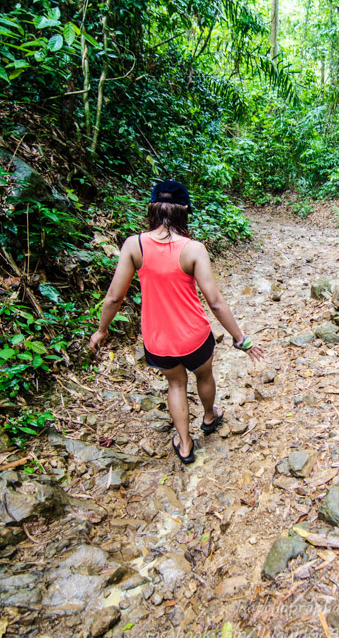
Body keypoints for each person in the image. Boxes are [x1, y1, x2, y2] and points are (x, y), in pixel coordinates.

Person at [89, 180, 263, 465]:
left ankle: (184, 444)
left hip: (159, 341)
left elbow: (113, 297)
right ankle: (209, 417)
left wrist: (101, 330)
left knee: (176, 385)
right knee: (204, 376)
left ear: (152, 208)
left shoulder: (134, 245)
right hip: (195, 336)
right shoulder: (194, 249)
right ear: (184, 211)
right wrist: (240, 338)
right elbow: (215, 302)